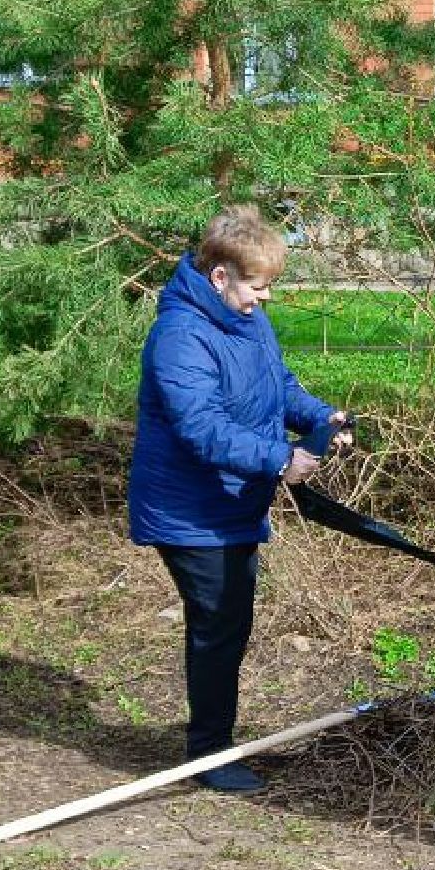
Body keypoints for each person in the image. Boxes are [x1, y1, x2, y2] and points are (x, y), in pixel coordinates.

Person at [128, 205, 347, 794]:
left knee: (229, 622)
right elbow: (202, 428)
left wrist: (321, 417)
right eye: (256, 285)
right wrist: (279, 459)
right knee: (219, 624)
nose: (264, 297)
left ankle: (213, 740)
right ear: (219, 276)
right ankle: (209, 752)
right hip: (189, 511)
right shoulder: (180, 336)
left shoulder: (246, 318)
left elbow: (278, 384)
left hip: (232, 504)